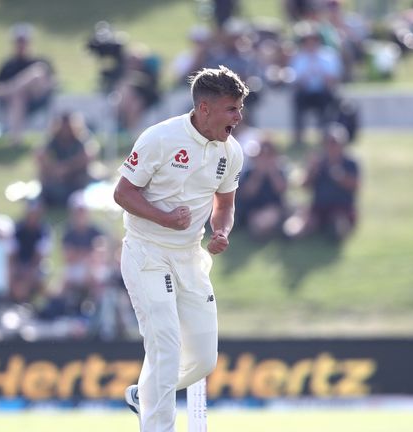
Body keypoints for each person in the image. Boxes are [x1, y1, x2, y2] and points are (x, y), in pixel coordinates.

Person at [114, 66, 248, 431]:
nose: (238, 117)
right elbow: (122, 193)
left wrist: (220, 231)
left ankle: (145, 395)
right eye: (231, 109)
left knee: (204, 360)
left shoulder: (231, 151)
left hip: (190, 256)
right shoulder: (160, 137)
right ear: (204, 108)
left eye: (240, 108)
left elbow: (225, 204)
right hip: (147, 253)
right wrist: (163, 218)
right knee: (166, 348)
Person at [285, 123, 359, 241]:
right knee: (297, 228)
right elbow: (304, 186)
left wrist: (341, 177)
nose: (331, 147)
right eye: (328, 143)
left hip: (341, 209)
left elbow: (356, 186)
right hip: (319, 208)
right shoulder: (319, 162)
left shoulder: (350, 163)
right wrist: (311, 170)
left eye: (334, 143)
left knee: (338, 226)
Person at [0, 23, 57, 147]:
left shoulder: (39, 61)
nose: (21, 45)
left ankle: (14, 88)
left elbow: (50, 83)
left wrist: (13, 87)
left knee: (37, 72)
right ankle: (16, 140)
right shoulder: (8, 65)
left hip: (37, 99)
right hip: (14, 102)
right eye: (19, 42)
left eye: (24, 42)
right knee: (18, 96)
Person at [35, 111, 97, 207]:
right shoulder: (54, 140)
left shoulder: (79, 140)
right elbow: (40, 155)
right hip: (56, 179)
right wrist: (54, 169)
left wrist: (68, 168)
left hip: (75, 180)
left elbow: (89, 155)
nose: (65, 131)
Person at [235, 135, 288, 238]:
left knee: (268, 218)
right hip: (252, 209)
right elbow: (247, 193)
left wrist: (273, 172)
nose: (264, 159)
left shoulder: (279, 171)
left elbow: (281, 189)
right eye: (261, 155)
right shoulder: (249, 172)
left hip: (273, 208)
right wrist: (258, 174)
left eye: (268, 155)